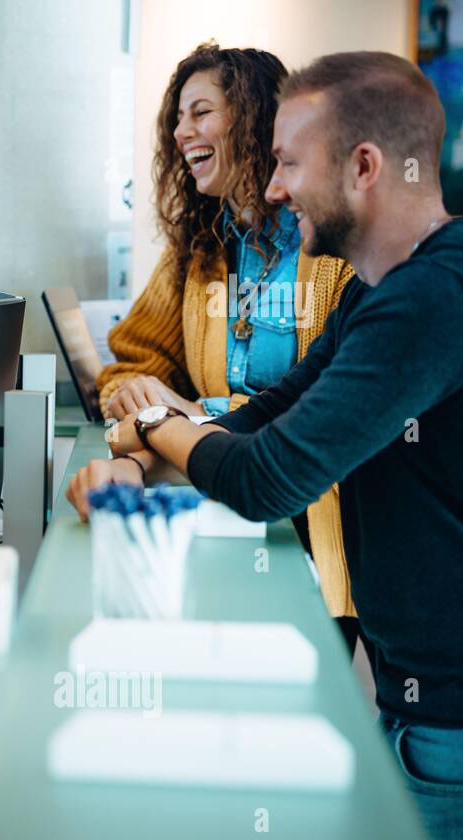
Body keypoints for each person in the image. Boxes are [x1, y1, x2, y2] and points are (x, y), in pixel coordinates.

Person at [68, 52, 463, 840]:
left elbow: (265, 474)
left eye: (288, 163)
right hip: (410, 691)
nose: (274, 188)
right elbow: (262, 419)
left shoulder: (429, 302)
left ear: (364, 168)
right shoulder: (378, 293)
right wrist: (146, 452)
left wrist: (149, 434)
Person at [94, 44, 360, 651]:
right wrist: (132, 393)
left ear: (253, 118)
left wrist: (182, 419)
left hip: (309, 514)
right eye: (178, 118)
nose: (181, 131)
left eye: (200, 112)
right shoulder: (200, 248)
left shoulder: (330, 248)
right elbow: (132, 357)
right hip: (222, 495)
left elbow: (329, 405)